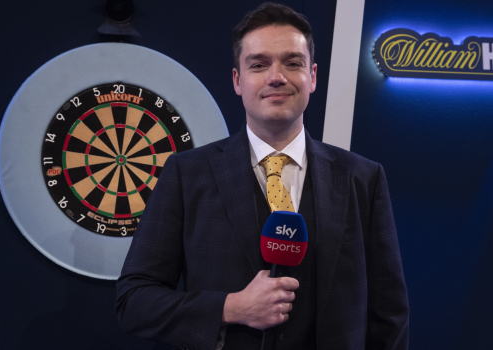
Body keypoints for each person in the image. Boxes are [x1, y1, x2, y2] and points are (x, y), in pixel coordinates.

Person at [116, 3, 409, 350]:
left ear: (312, 77)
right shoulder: (187, 175)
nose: (276, 76)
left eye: (292, 63)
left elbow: (389, 315)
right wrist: (230, 308)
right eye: (259, 64)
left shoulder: (363, 178)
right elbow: (134, 301)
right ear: (238, 80)